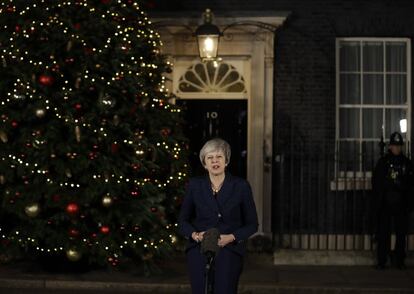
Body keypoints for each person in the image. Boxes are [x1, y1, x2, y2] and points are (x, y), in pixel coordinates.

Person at [179, 138, 258, 294]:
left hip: (229, 248)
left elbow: (252, 224)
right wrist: (195, 235)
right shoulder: (195, 185)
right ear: (204, 163)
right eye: (210, 158)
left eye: (219, 157)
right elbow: (182, 221)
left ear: (226, 161)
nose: (215, 161)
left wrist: (231, 237)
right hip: (199, 247)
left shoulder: (241, 186)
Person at [372, 132, 413, 270]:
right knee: (384, 233)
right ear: (390, 146)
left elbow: (410, 184)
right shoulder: (383, 162)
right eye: (395, 145)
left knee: (401, 234)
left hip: (401, 203)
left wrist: (402, 186)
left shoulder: (407, 163)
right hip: (385, 203)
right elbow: (376, 182)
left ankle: (399, 260)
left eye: (399, 146)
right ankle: (382, 260)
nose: (397, 148)